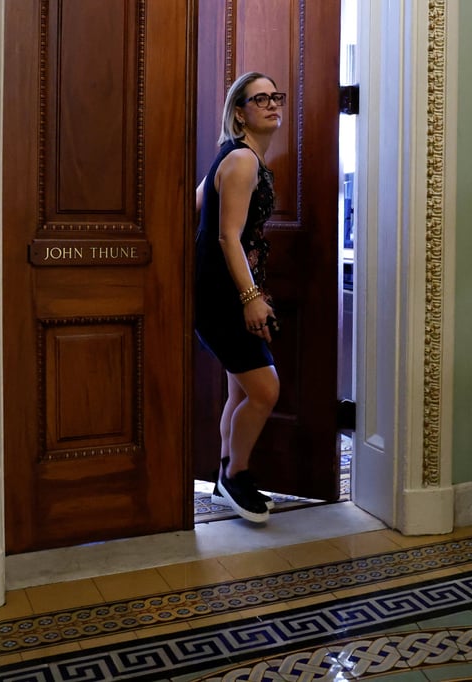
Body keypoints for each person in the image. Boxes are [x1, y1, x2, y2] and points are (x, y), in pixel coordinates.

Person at [194, 71, 286, 523]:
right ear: (239, 112)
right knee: (265, 390)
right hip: (223, 295)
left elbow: (196, 205)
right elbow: (228, 236)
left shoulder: (234, 159)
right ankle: (236, 476)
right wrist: (250, 296)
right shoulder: (243, 161)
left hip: (224, 289)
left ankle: (224, 477)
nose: (272, 104)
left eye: (276, 97)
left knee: (240, 390)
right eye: (259, 98)